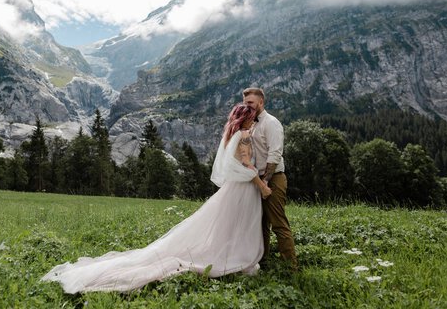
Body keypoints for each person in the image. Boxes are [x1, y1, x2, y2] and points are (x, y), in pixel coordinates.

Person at [41, 104, 272, 293]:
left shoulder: (232, 135)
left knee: (228, 224)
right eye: (252, 117)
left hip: (234, 187)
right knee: (241, 224)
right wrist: (261, 183)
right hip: (243, 188)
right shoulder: (244, 136)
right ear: (245, 119)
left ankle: (230, 255)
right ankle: (237, 260)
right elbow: (245, 163)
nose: (254, 121)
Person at [243, 87, 298, 270]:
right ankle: (263, 260)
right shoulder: (252, 124)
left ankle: (290, 266)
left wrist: (265, 182)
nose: (247, 106)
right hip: (257, 179)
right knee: (260, 224)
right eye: (245, 103)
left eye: (250, 103)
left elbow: (274, 155)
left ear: (261, 102)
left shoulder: (271, 123)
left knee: (278, 223)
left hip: (273, 178)